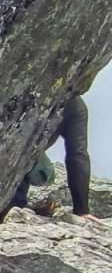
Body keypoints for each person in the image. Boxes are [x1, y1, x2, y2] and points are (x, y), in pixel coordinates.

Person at [11, 96, 104, 225]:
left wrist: (82, 210)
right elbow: (78, 154)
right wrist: (82, 210)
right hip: (21, 163)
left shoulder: (74, 105)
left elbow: (77, 155)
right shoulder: (74, 104)